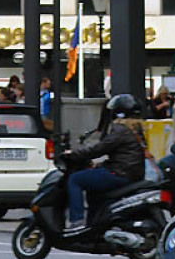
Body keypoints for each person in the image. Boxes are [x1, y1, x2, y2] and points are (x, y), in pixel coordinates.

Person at [60, 94, 148, 234]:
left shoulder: (120, 130)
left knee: (75, 180)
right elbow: (122, 155)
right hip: (130, 173)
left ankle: (77, 221)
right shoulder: (136, 129)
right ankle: (95, 223)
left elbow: (100, 148)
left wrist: (74, 154)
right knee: (93, 187)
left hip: (119, 174)